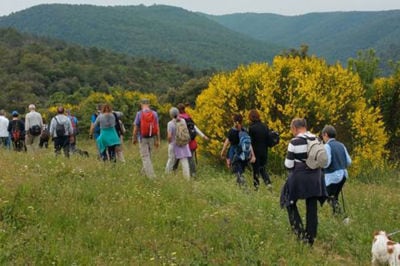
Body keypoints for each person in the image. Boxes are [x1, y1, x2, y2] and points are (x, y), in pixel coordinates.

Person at [280, 118, 327, 246]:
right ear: (305, 126)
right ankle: (310, 238)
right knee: (312, 206)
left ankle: (299, 233)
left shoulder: (294, 142)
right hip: (316, 177)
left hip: (299, 177)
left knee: (288, 200)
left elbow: (289, 165)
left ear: (295, 128)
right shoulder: (317, 139)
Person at [321, 125, 352, 214]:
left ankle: (339, 215)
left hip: (332, 176)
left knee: (329, 197)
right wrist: (340, 163)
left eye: (323, 136)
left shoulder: (327, 146)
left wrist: (320, 165)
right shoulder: (341, 145)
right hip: (343, 174)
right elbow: (349, 162)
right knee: (334, 197)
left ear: (325, 134)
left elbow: (327, 163)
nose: (323, 138)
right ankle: (337, 217)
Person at [173, 103, 209, 177]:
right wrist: (203, 136)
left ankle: (174, 170)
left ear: (178, 110)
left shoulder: (179, 118)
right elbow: (195, 128)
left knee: (178, 156)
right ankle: (193, 173)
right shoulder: (188, 117)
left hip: (183, 141)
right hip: (192, 141)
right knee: (190, 158)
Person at [220, 114, 255, 186]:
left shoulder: (231, 131)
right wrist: (252, 155)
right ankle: (239, 188)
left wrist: (222, 153)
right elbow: (249, 144)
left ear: (234, 121)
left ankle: (244, 188)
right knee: (240, 171)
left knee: (237, 172)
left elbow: (226, 144)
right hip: (244, 154)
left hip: (234, 153)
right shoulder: (245, 130)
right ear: (241, 121)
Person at [132, 99, 160, 179]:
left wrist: (134, 138)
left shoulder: (139, 114)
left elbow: (136, 128)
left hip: (142, 138)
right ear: (149, 104)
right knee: (149, 157)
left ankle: (152, 177)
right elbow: (157, 128)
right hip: (151, 138)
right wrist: (158, 140)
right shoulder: (154, 113)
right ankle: (142, 174)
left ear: (141, 104)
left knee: (145, 157)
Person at [248, 109, 273, 190]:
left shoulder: (252, 128)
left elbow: (250, 142)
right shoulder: (265, 126)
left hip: (255, 152)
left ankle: (256, 187)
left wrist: (251, 155)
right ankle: (268, 183)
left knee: (256, 170)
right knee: (262, 168)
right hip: (264, 152)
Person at [165, 107, 192, 179]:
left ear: (171, 115)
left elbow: (169, 136)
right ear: (178, 113)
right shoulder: (183, 121)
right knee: (184, 161)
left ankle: (167, 175)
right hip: (184, 144)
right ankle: (187, 178)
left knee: (171, 160)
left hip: (174, 144)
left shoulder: (170, 124)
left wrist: (169, 142)